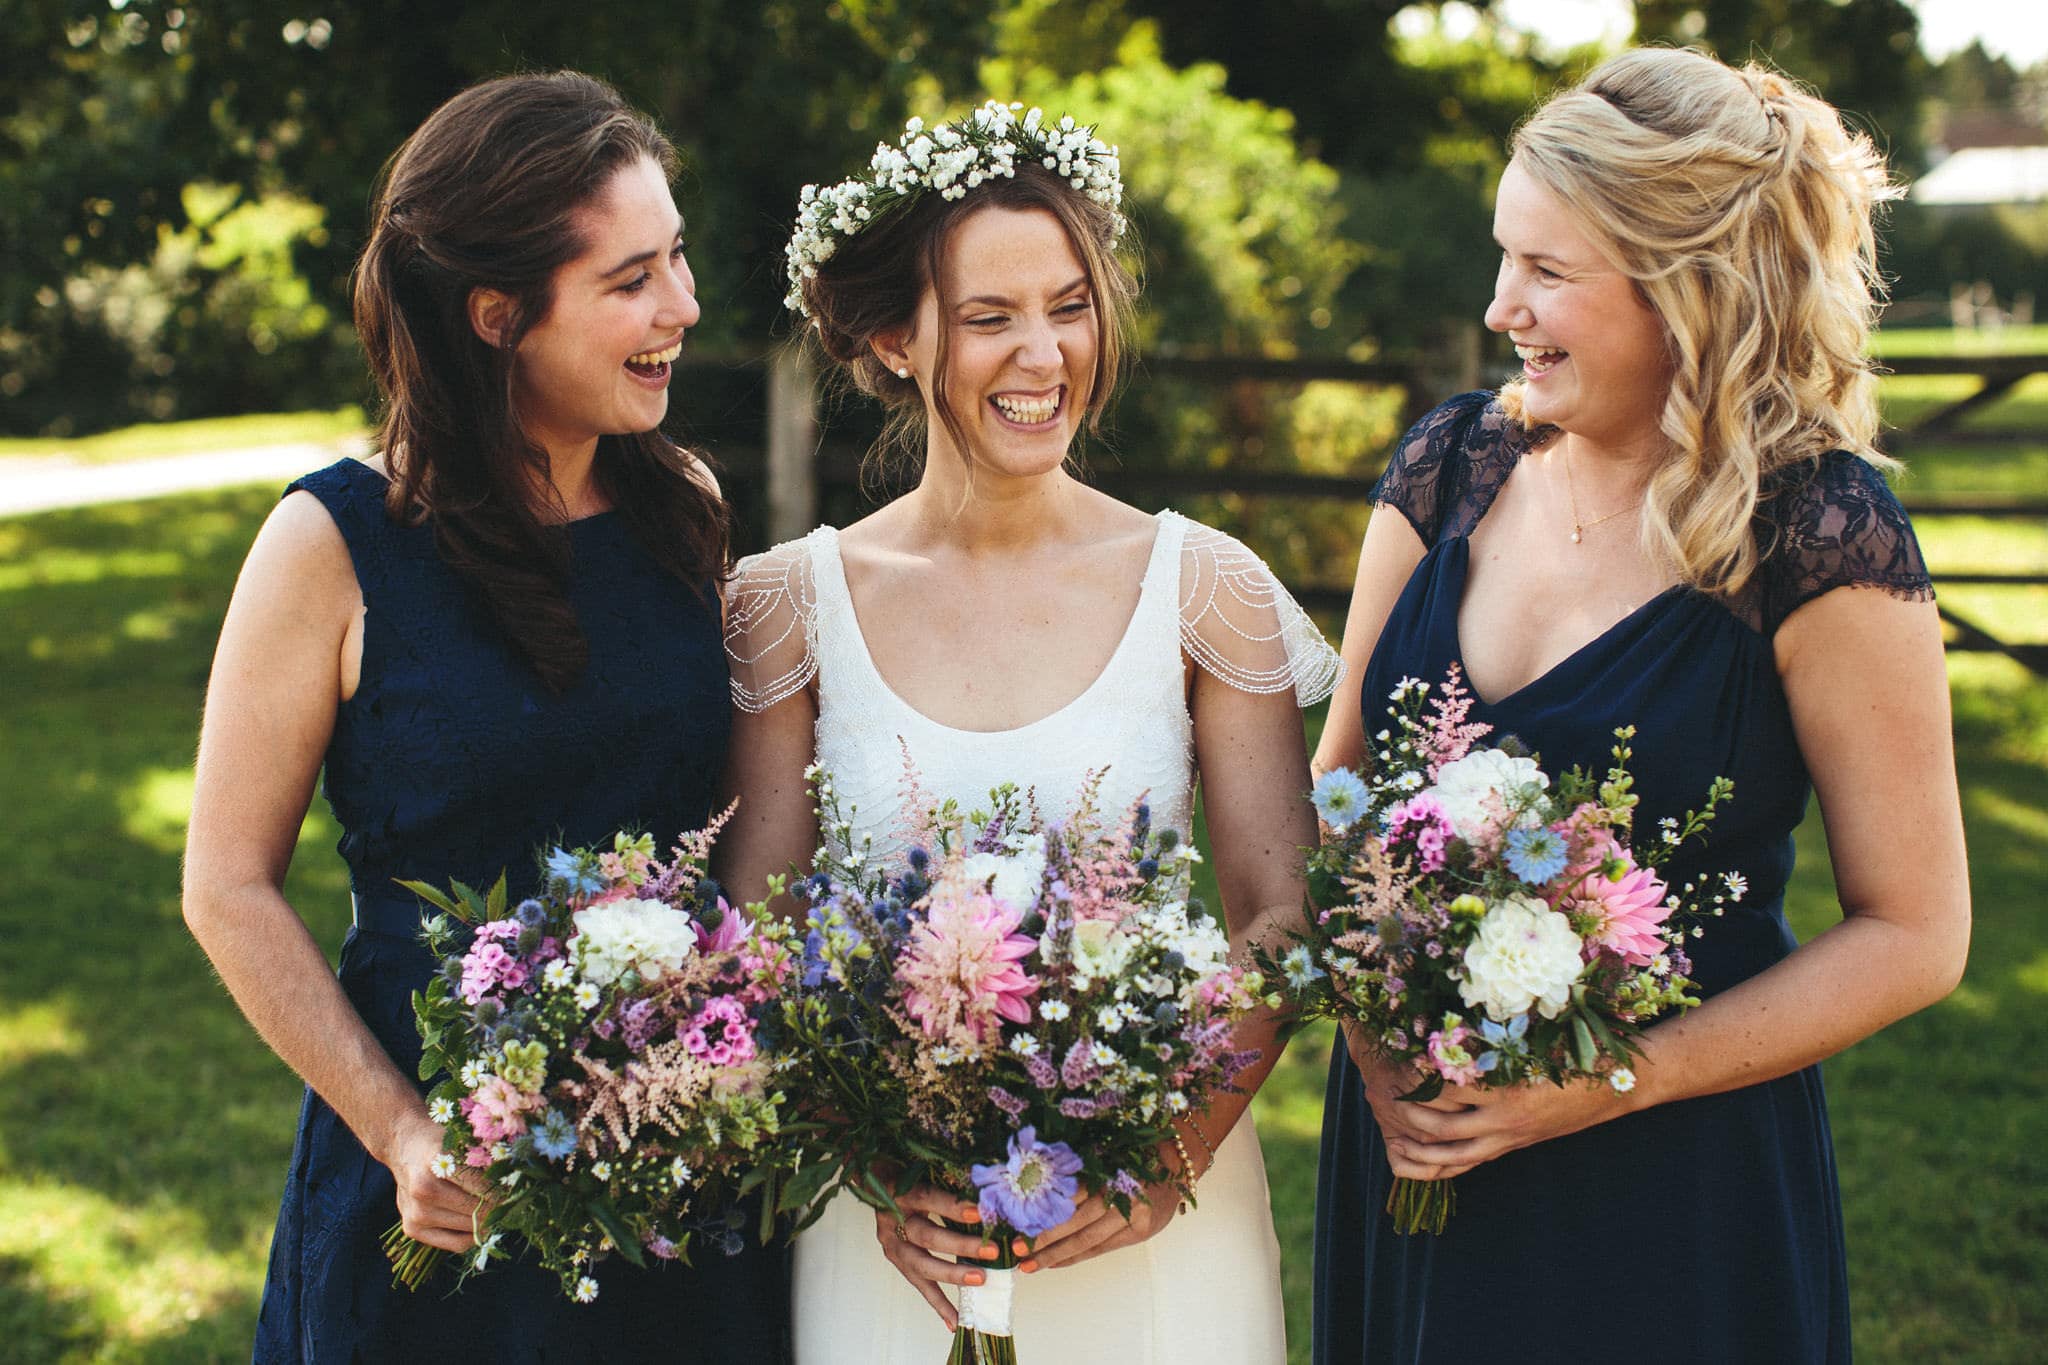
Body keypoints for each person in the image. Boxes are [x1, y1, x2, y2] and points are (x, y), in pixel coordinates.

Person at [1309, 48, 1971, 1365]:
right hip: (1413, 1149)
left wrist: (1608, 1079)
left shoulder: (1816, 534)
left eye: (1548, 271)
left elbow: (1917, 931)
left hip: (1669, 1189)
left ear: (1688, 291)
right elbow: (1334, 797)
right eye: (1505, 258)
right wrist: (1378, 1034)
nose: (1502, 306)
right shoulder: (1451, 467)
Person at [182, 71, 789, 1362]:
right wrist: (403, 1132)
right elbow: (227, 884)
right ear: (496, 315)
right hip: (435, 1180)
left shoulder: (683, 501)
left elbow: (734, 830)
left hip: (674, 1159)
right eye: (631, 280)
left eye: (676, 259)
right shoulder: (332, 543)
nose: (682, 307)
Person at [718, 102, 1340, 1363]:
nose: (1043, 354)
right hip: (897, 1243)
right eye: (990, 318)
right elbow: (761, 931)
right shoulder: (789, 606)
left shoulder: (1201, 587)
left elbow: (1278, 913)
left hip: (1160, 1239)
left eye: (1069, 305)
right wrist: (871, 1170)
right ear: (895, 341)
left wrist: (1164, 1163)